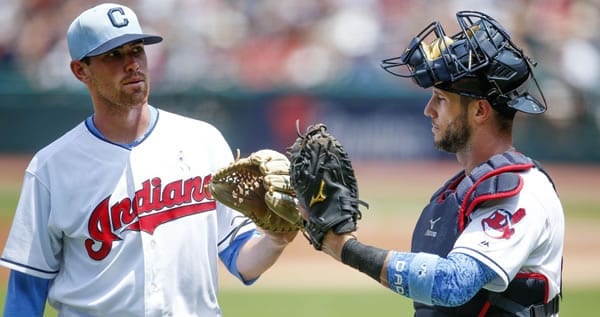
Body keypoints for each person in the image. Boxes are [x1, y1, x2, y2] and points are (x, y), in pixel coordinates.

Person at [0, 3, 297, 316]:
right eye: (113, 55)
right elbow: (25, 293)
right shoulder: (51, 168)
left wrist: (276, 240)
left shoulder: (203, 141)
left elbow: (240, 259)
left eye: (136, 50)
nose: (131, 64)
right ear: (80, 70)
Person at [313, 11, 564, 317]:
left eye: (440, 99)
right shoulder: (460, 190)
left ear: (480, 111)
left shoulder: (522, 191)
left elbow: (453, 283)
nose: (428, 110)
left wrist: (343, 247)